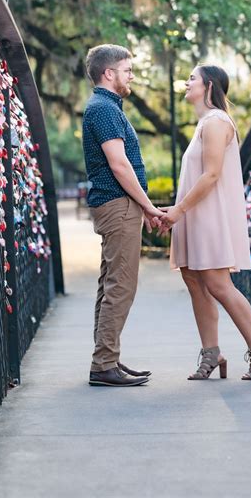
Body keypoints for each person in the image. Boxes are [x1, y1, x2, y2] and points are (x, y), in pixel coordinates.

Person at [159, 65, 251, 380]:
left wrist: (178, 210)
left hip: (206, 216)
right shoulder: (203, 124)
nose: (186, 83)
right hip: (191, 215)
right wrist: (176, 210)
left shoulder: (216, 122)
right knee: (195, 283)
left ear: (209, 86)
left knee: (218, 284)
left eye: (192, 79)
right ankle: (211, 354)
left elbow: (211, 175)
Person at [82, 44, 164, 387]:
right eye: (127, 70)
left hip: (119, 205)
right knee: (121, 285)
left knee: (110, 284)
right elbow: (119, 164)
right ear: (109, 73)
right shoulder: (102, 109)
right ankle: (103, 365)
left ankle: (107, 359)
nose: (131, 76)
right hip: (118, 205)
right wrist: (147, 205)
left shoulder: (107, 107)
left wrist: (141, 205)